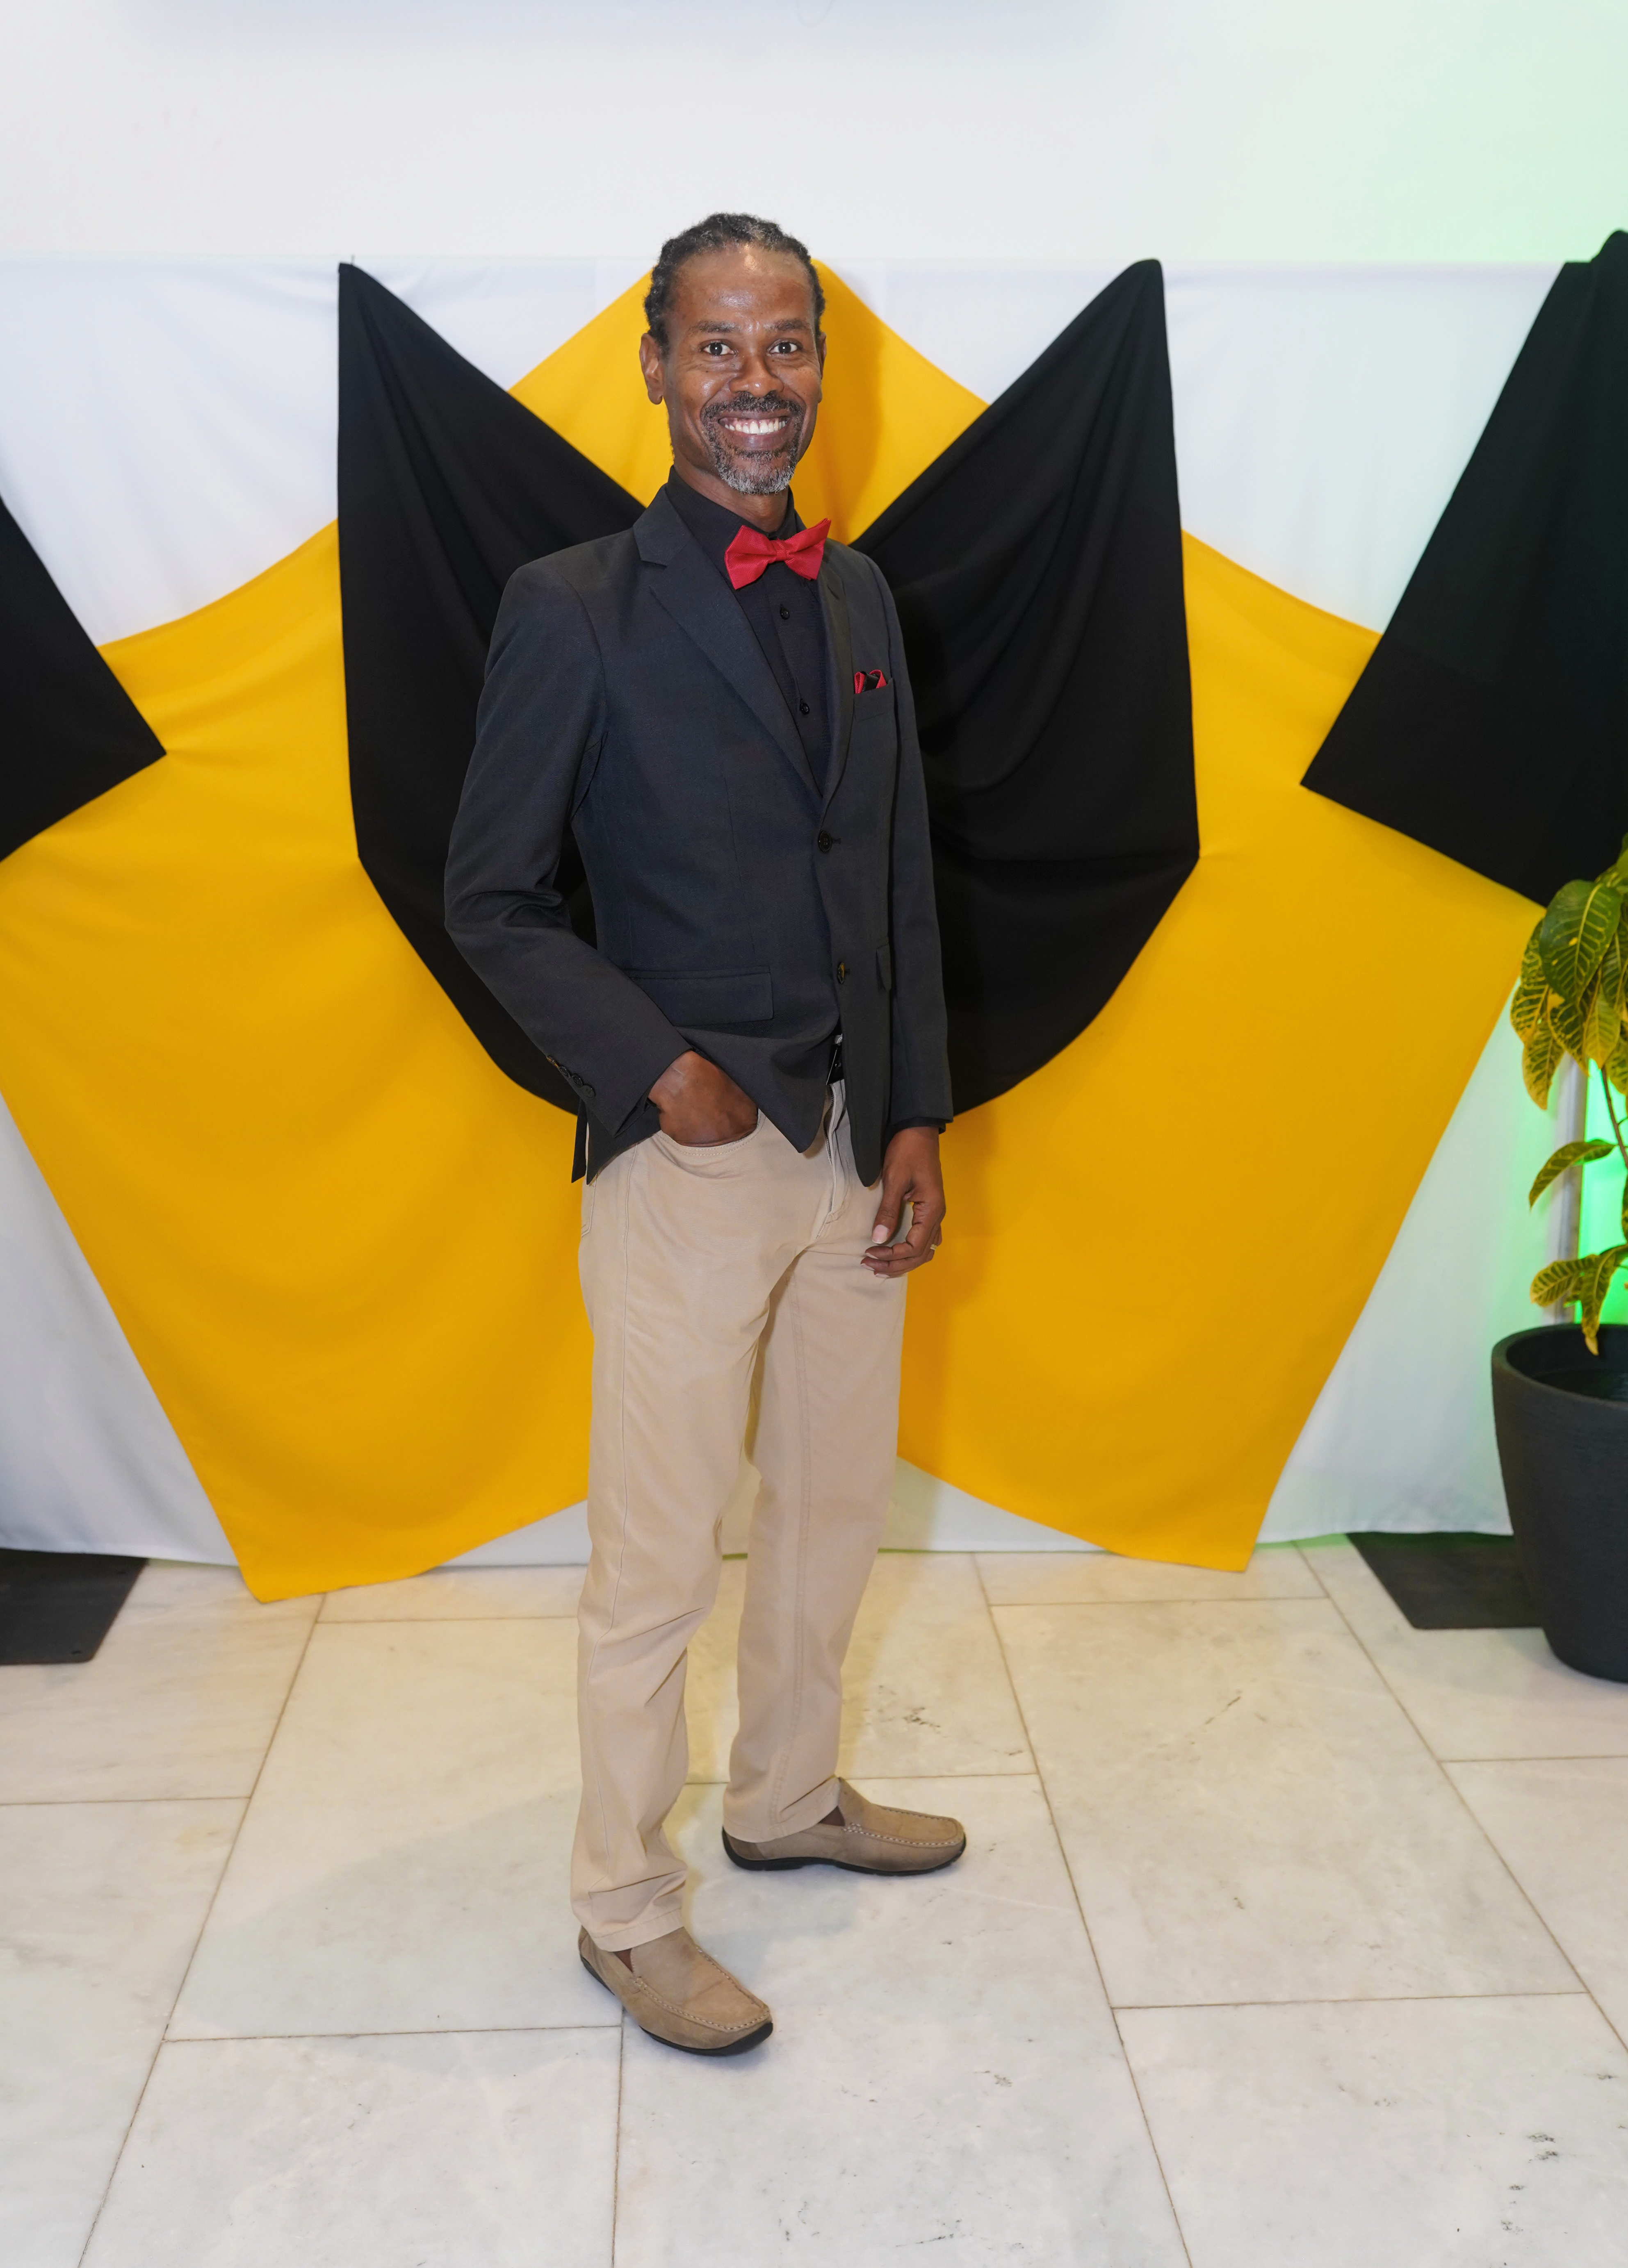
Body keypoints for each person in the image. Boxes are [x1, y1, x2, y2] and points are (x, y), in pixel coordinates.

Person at [445, 212, 959, 2057]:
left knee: (831, 1511)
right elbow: (491, 897)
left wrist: (916, 1109)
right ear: (657, 366)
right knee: (660, 1561)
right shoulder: (572, 604)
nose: (759, 383)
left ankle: (788, 1796)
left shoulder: (865, 596)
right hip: (687, 1165)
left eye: (788, 345)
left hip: (851, 1150)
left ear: (823, 364)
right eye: (720, 347)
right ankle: (625, 1907)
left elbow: (895, 873)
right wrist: (659, 1069)